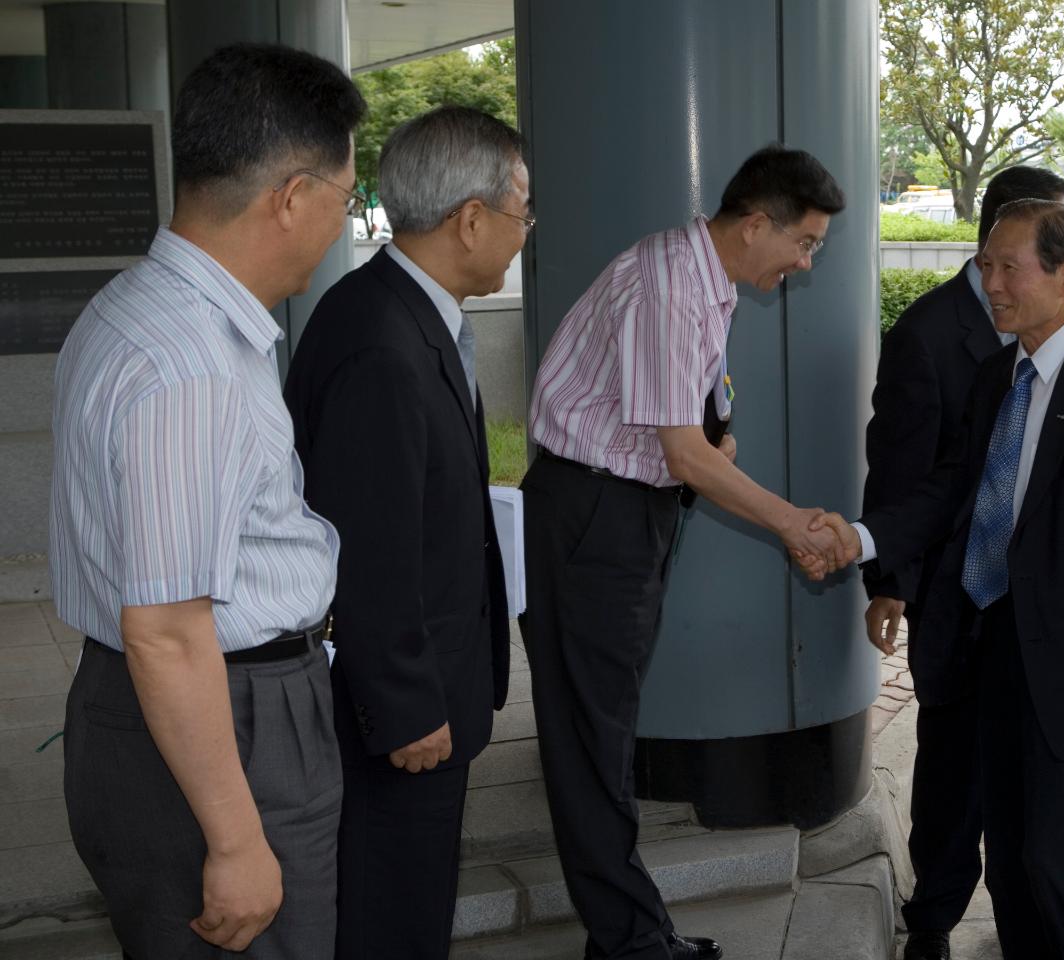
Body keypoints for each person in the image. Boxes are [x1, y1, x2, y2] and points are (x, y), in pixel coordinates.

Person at [49, 43, 366, 959]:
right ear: (292, 196)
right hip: (220, 728)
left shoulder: (130, 310)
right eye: (344, 202)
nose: (340, 227)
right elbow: (168, 628)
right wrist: (234, 841)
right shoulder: (188, 365)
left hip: (168, 708)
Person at [835, 199, 1064, 959]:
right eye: (984, 266)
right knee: (1012, 870)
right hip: (998, 663)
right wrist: (863, 539)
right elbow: (949, 490)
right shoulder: (994, 377)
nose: (991, 284)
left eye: (1010, 267)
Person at [521, 144, 857, 960]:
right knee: (593, 739)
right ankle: (631, 942)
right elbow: (680, 452)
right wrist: (789, 522)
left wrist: (712, 444)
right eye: (805, 243)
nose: (807, 261)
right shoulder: (673, 286)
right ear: (754, 225)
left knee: (602, 729)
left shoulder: (701, 277)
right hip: (595, 517)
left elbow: (684, 433)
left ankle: (631, 930)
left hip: (622, 510)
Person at [284, 106, 519, 960]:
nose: (524, 233)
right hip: (401, 713)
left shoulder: (409, 316)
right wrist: (408, 707)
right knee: (393, 915)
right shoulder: (382, 340)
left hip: (427, 688)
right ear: (470, 219)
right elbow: (370, 549)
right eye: (522, 213)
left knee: (414, 904)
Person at [861, 166, 1064, 960]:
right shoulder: (926, 334)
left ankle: (1031, 912)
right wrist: (890, 583)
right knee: (952, 776)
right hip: (958, 600)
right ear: (996, 240)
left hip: (1038, 613)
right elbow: (906, 472)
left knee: (1027, 776)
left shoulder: (1059, 330)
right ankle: (935, 922)